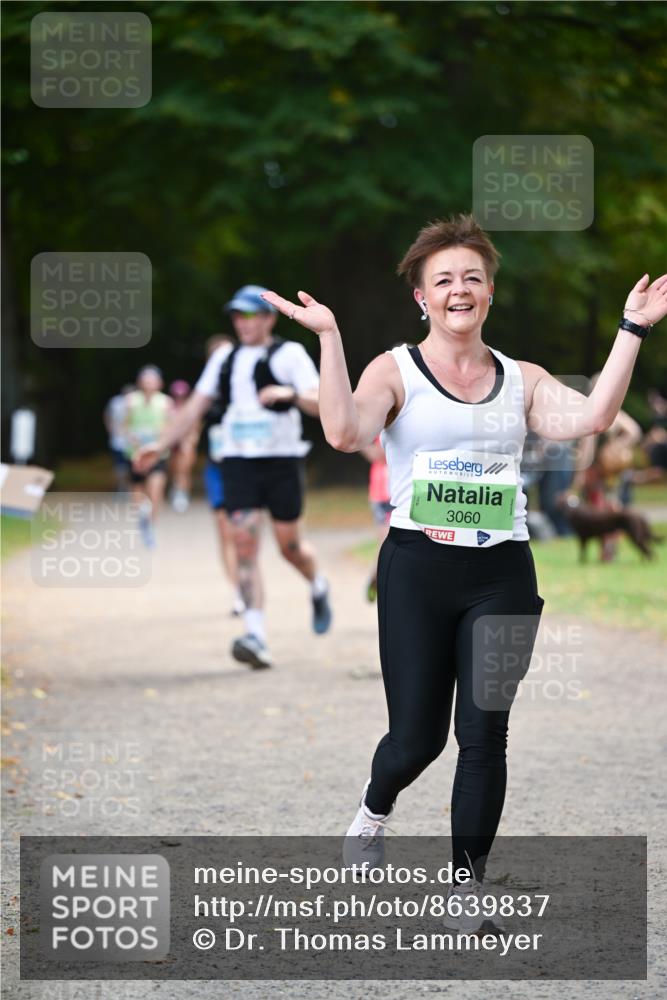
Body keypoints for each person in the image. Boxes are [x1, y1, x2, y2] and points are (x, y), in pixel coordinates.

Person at [262, 214, 667, 932]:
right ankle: (370, 814)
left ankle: (461, 888)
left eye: (471, 278)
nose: (459, 289)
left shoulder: (522, 379)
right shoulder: (393, 369)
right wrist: (327, 336)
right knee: (416, 739)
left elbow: (591, 417)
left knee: (483, 735)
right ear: (421, 297)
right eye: (443, 279)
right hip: (418, 569)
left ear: (488, 294)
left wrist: (630, 328)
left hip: (500, 575)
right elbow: (343, 433)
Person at [133, 285, 333, 669]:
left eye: (250, 315)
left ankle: (317, 583)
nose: (243, 323)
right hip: (237, 461)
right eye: (237, 316)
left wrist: (288, 393)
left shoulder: (289, 354)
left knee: (290, 547)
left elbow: (318, 399)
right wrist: (160, 446)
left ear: (269, 318)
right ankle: (255, 634)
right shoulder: (225, 357)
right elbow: (194, 407)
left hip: (282, 460)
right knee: (242, 542)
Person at [201, 334, 244, 617]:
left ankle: (245, 585)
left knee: (241, 531)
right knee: (224, 530)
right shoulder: (205, 395)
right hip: (216, 468)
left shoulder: (244, 390)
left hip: (242, 467)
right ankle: (238, 591)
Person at [124, 365, 173, 548]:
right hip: (136, 454)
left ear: (159, 383)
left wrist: (161, 441)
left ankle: (151, 527)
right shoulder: (131, 401)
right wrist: (132, 439)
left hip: (157, 454)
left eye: (152, 379)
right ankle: (142, 519)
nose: (148, 383)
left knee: (155, 491)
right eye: (145, 379)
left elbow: (171, 427)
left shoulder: (166, 402)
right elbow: (125, 425)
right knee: (138, 492)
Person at [360, 436, 392, 601]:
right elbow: (379, 455)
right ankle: (377, 575)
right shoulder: (380, 424)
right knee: (386, 543)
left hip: (403, 492)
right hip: (383, 495)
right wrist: (359, 441)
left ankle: (377, 574)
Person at [167, 380, 199, 513]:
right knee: (173, 470)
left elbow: (195, 429)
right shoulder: (169, 407)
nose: (179, 398)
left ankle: (182, 494)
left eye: (182, 395)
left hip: (186, 444)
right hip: (171, 444)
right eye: (177, 395)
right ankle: (176, 489)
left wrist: (189, 442)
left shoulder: (191, 409)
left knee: (184, 471)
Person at [103, 384, 134, 493]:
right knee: (120, 466)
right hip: (118, 440)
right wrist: (111, 430)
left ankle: (128, 487)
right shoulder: (115, 402)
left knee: (130, 466)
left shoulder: (136, 402)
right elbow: (107, 416)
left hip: (132, 441)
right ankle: (121, 486)